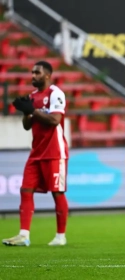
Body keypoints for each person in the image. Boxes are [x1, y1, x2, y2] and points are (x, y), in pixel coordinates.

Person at [3, 61, 69, 247]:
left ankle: (60, 236)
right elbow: (27, 126)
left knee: (57, 193)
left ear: (47, 75)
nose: (33, 75)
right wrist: (26, 113)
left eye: (37, 72)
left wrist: (33, 111)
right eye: (32, 72)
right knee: (25, 190)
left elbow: (55, 120)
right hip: (36, 151)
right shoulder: (32, 96)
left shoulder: (55, 94)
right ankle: (24, 235)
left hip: (55, 152)